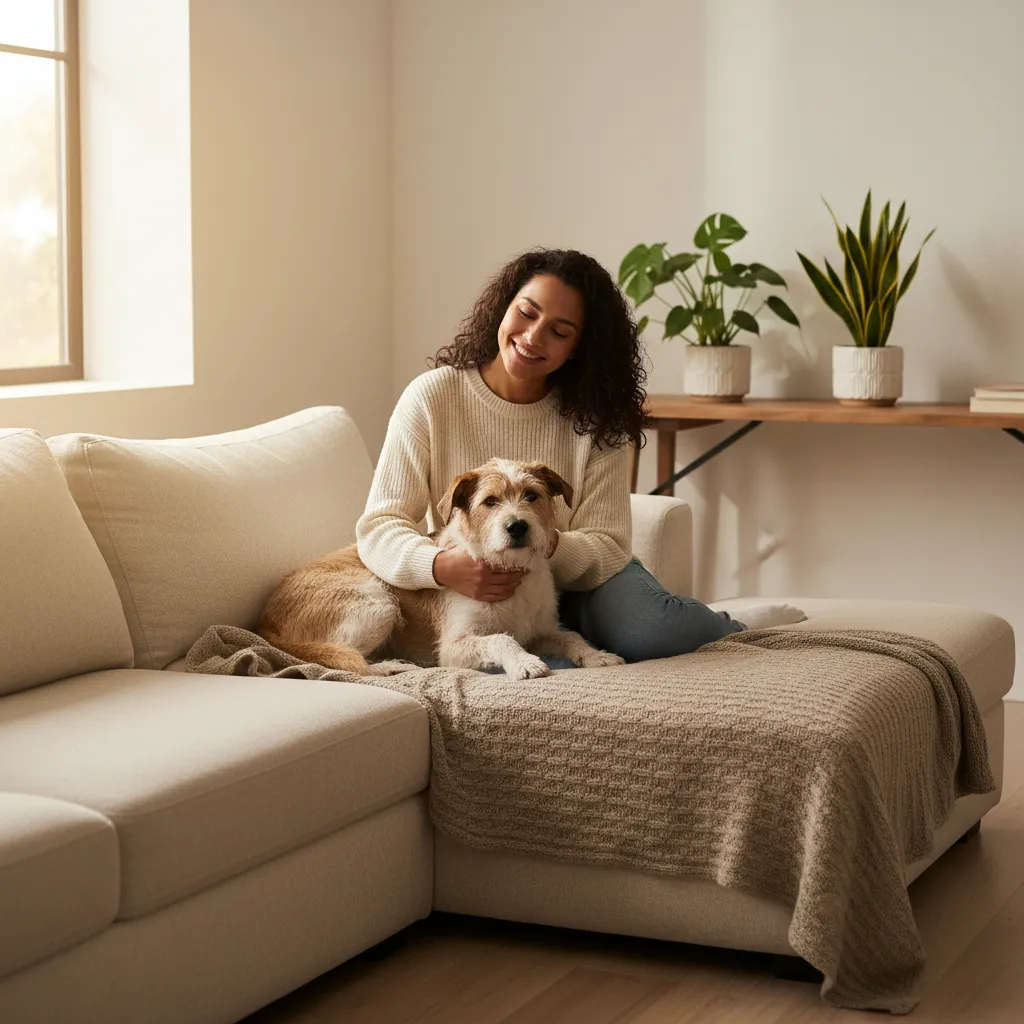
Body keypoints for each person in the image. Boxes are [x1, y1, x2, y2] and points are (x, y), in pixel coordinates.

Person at [356, 248, 804, 666]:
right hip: (475, 577)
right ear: (504, 307)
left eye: (559, 331)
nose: (532, 337)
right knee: (498, 657)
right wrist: (441, 566)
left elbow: (609, 544)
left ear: (579, 347)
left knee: (654, 630)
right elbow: (379, 526)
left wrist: (539, 543)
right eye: (526, 312)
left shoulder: (593, 418)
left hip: (576, 579)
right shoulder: (433, 397)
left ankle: (733, 625)